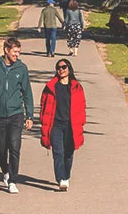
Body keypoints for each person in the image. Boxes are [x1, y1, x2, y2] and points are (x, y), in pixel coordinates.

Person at [0, 37, 34, 194]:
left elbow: (27, 93)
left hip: (16, 114)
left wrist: (29, 115)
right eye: (15, 52)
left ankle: (12, 180)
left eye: (19, 52)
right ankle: (5, 171)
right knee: (0, 148)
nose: (17, 55)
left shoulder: (22, 69)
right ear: (6, 50)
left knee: (14, 146)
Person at [39, 59, 86, 191]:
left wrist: (82, 121)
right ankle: (61, 178)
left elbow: (82, 106)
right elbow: (43, 105)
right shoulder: (51, 87)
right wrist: (43, 121)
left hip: (71, 125)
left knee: (69, 153)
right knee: (58, 152)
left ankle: (66, 175)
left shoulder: (77, 87)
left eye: (64, 67)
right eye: (58, 67)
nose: (61, 69)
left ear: (69, 69)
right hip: (56, 125)